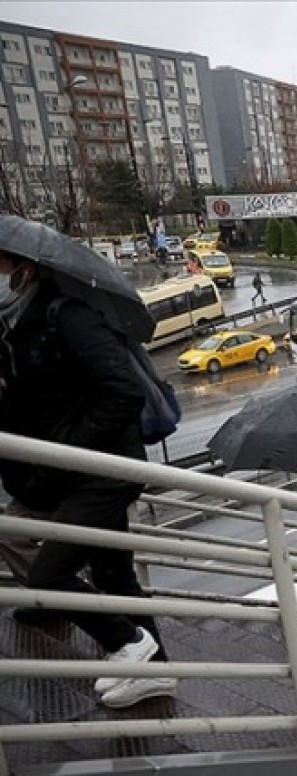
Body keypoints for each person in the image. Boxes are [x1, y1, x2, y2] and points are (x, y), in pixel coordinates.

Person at [0, 244, 174, 709]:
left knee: (48, 575)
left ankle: (132, 645)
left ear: (24, 270)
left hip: (103, 471)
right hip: (77, 472)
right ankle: (157, 673)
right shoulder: (16, 326)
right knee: (114, 574)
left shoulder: (67, 317)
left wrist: (67, 449)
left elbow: (122, 392)